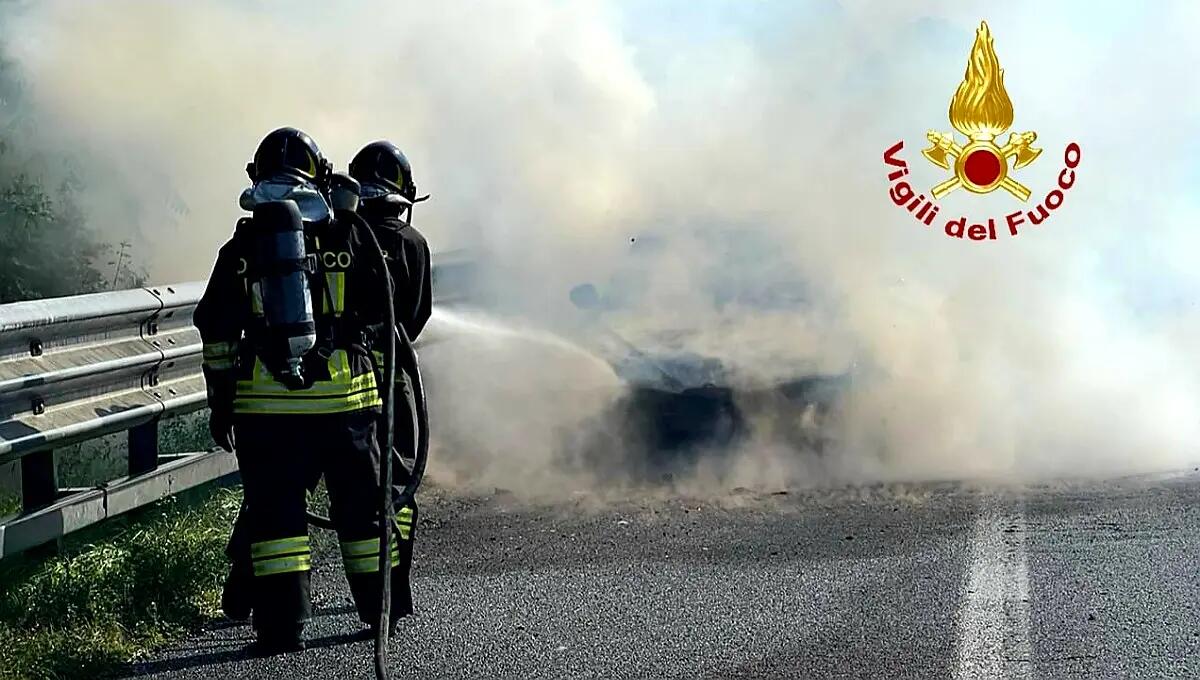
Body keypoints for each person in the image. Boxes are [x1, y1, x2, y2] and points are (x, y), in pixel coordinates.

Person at [196, 127, 400, 654]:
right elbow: (382, 315)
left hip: (266, 413)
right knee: (362, 515)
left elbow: (216, 328)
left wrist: (222, 402)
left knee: (277, 522)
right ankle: (382, 615)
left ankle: (281, 629)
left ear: (257, 178)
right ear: (320, 176)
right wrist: (380, 393)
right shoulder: (351, 237)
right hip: (349, 406)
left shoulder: (242, 248)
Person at [347, 140, 432, 621]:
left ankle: (252, 589)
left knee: (286, 483)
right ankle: (391, 594)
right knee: (396, 484)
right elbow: (417, 316)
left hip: (339, 385)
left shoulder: (336, 235)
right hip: (391, 378)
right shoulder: (412, 244)